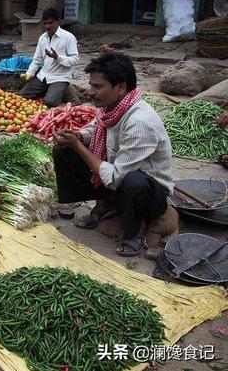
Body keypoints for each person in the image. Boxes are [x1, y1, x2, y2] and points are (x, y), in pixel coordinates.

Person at [52, 53, 173, 257]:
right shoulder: (110, 109)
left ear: (120, 88)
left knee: (134, 181)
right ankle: (104, 205)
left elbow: (117, 179)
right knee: (64, 151)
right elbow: (93, 130)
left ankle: (134, 231)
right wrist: (78, 137)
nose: (91, 92)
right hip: (117, 180)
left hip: (147, 192)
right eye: (91, 85)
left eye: (98, 87)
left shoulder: (140, 121)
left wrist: (78, 146)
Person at [19, 8, 79, 107]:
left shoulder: (68, 37)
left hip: (60, 77)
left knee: (50, 102)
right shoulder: (42, 38)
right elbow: (37, 60)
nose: (47, 26)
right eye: (45, 23)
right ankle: (51, 90)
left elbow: (75, 60)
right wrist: (29, 73)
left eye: (50, 23)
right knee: (21, 96)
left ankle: (65, 89)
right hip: (44, 75)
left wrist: (57, 57)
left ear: (58, 21)